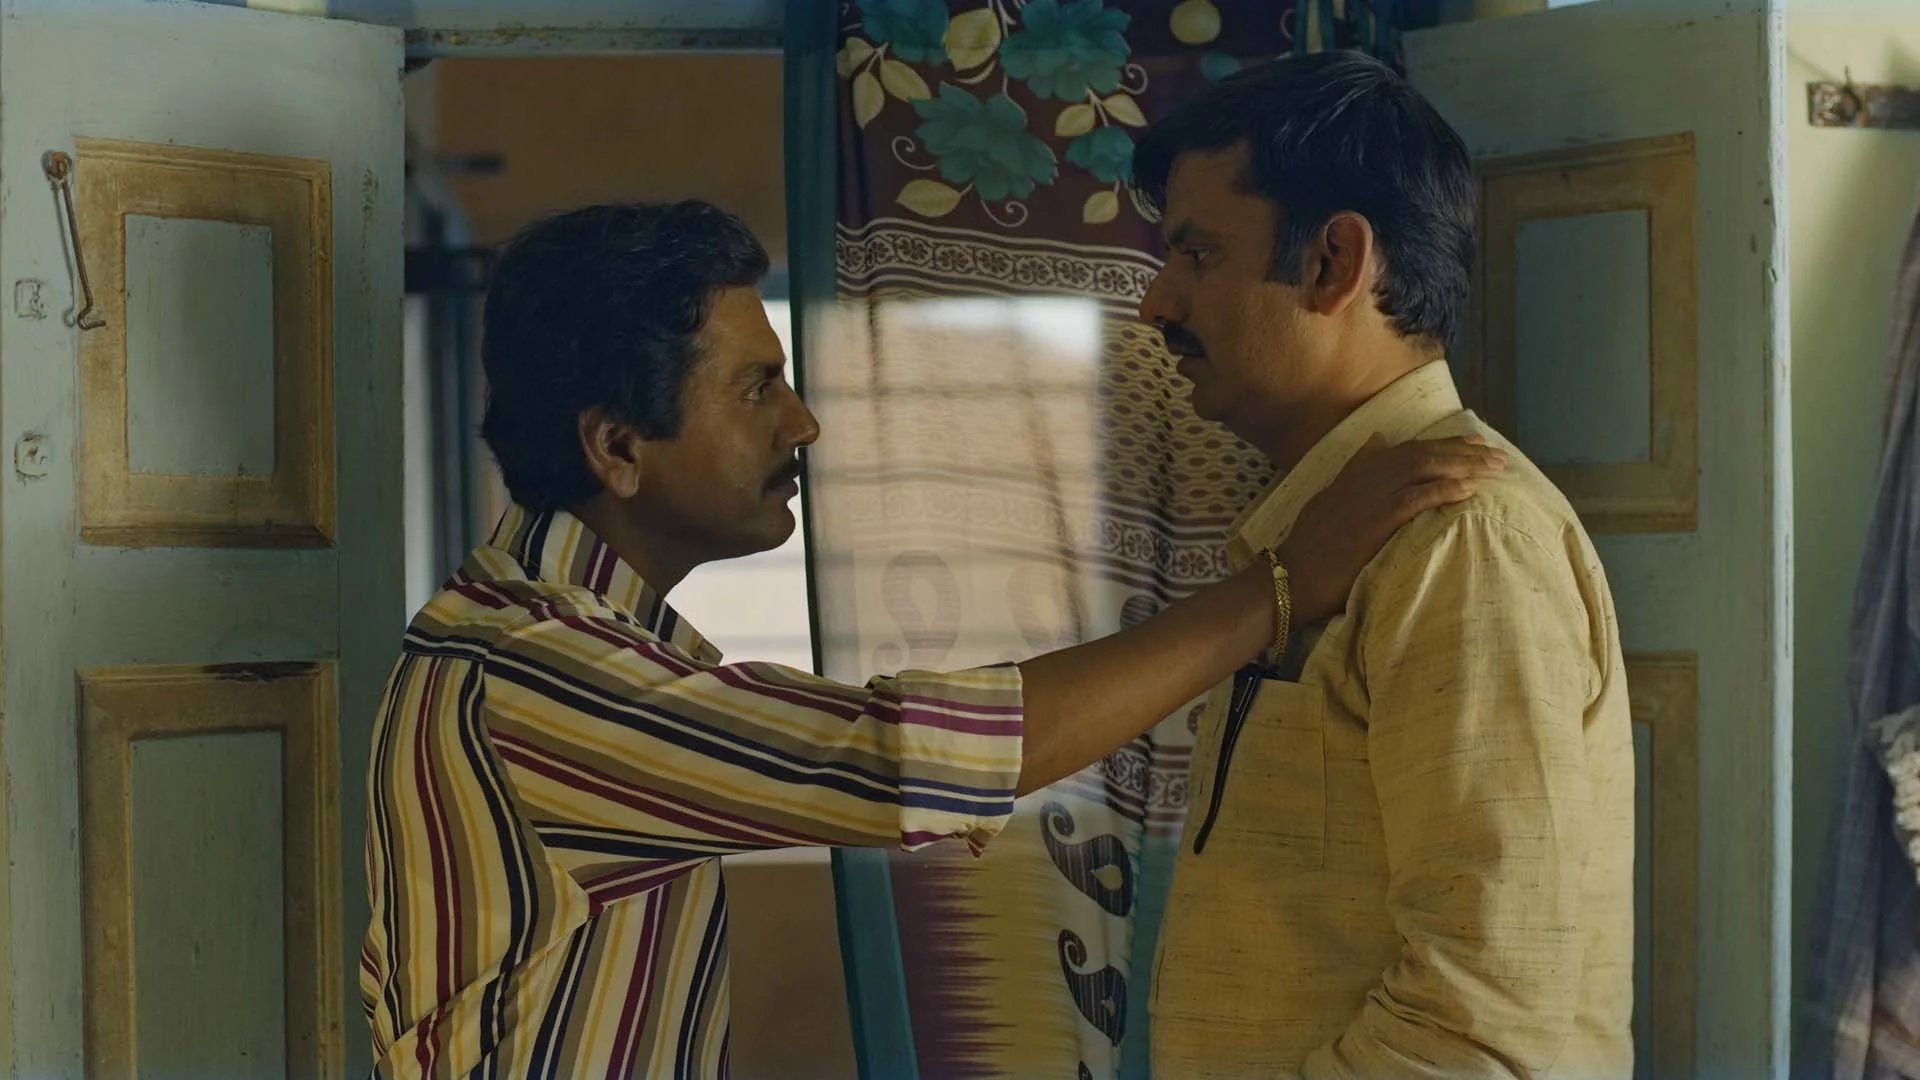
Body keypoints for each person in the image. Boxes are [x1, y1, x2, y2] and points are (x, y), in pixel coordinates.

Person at [357, 199, 1503, 1079]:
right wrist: (1282, 586)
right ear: (617, 447)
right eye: (757, 389)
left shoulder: (569, 641)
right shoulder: (534, 680)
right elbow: (899, 756)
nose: (804, 423)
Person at [1134, 50, 1635, 1079]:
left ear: (1333, 262)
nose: (1158, 304)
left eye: (1197, 254)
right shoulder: (1333, 532)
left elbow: (1480, 1023)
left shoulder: (1462, 541)